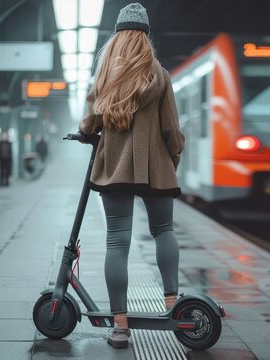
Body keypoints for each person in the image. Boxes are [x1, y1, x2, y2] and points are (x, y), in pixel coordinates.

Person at [78, 3, 185, 349]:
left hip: (115, 171)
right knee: (164, 231)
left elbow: (88, 122)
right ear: (144, 38)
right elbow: (172, 129)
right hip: (156, 169)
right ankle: (173, 307)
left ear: (118, 36)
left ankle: (120, 325)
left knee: (117, 243)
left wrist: (87, 130)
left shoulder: (105, 75)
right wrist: (173, 158)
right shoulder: (161, 75)